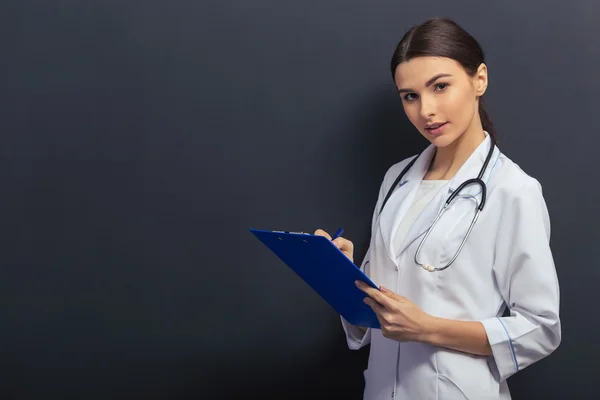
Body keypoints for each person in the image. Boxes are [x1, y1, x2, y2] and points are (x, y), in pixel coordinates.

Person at [315, 18, 561, 399]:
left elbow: (540, 329)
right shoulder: (396, 179)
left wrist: (427, 328)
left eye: (440, 86)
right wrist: (339, 273)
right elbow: (376, 312)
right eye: (409, 96)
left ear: (479, 79)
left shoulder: (513, 191)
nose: (425, 110)